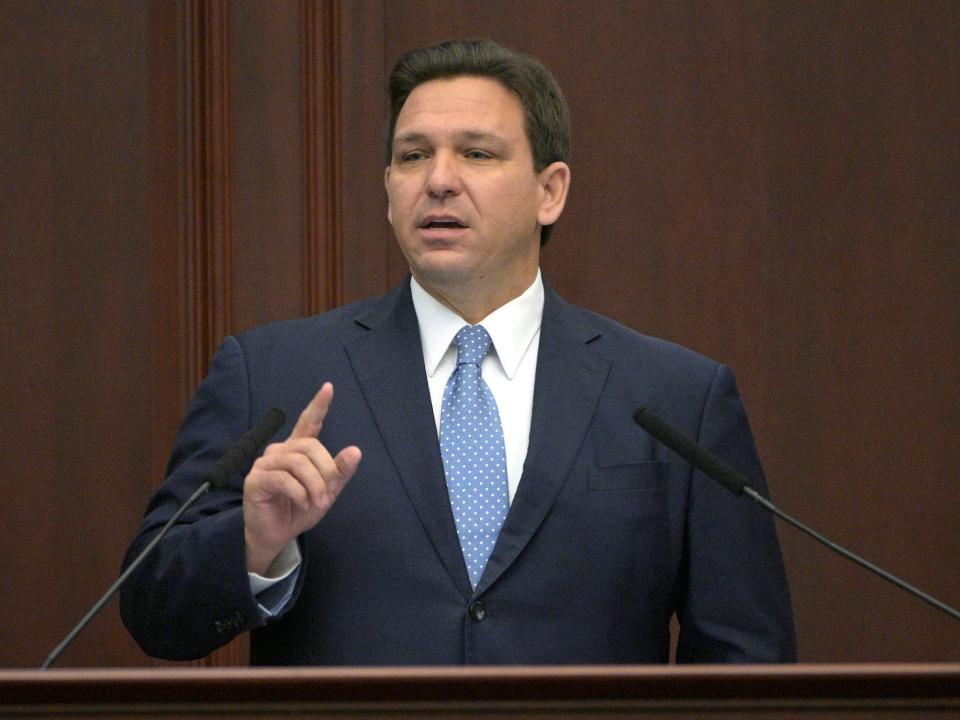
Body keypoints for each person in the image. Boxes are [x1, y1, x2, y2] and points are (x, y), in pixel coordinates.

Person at [120, 39, 796, 664]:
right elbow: (152, 608)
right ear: (388, 191)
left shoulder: (675, 397)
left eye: (476, 153)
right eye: (413, 156)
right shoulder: (272, 375)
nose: (438, 180)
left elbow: (746, 662)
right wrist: (252, 541)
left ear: (549, 190)